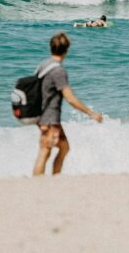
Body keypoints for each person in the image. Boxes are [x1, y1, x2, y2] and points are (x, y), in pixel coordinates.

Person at [33, 32, 103, 176]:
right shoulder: (58, 71)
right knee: (45, 150)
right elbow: (70, 98)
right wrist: (91, 113)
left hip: (41, 114)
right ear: (67, 49)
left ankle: (54, 179)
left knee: (63, 147)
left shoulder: (43, 65)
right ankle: (38, 184)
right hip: (49, 116)